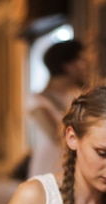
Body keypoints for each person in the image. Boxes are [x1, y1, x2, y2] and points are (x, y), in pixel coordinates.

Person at [26, 40, 89, 178]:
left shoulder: (81, 96)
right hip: (48, 171)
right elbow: (57, 136)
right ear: (68, 66)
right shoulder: (39, 100)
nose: (87, 66)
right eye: (82, 60)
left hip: (77, 172)